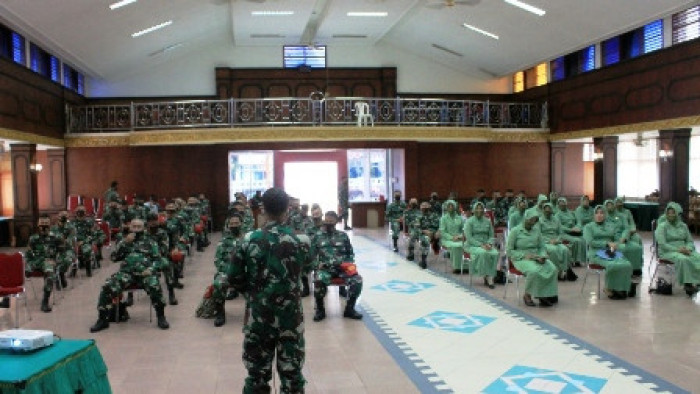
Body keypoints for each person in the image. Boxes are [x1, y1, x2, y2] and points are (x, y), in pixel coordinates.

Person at [228, 187, 310, 393]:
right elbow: (306, 270)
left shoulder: (248, 240)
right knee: (292, 377)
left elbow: (234, 277)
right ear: (288, 210)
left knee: (257, 376)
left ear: (262, 209)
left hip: (259, 317)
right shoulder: (302, 240)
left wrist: (254, 293)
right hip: (290, 318)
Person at [91, 219, 170, 332]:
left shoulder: (150, 242)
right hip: (126, 274)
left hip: (145, 273)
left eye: (139, 226)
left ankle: (161, 317)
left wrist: (151, 269)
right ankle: (102, 319)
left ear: (143, 228)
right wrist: (124, 242)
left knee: (154, 285)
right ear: (130, 227)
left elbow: (159, 260)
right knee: (108, 286)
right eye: (134, 226)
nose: (136, 229)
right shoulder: (124, 241)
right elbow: (114, 257)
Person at [310, 211, 363, 322]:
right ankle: (320, 310)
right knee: (319, 280)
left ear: (335, 222)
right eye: (327, 220)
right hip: (325, 269)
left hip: (342, 269)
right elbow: (311, 257)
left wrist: (347, 264)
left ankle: (349, 309)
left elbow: (350, 253)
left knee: (357, 281)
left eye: (331, 221)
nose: (328, 223)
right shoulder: (316, 237)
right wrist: (317, 265)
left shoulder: (343, 236)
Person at [196, 214, 245, 327]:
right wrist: (230, 271)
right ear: (228, 225)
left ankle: (254, 314)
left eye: (236, 223)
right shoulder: (223, 242)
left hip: (244, 273)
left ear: (241, 224)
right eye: (231, 224)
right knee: (218, 284)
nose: (234, 225)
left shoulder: (247, 239)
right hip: (227, 272)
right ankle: (220, 313)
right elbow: (218, 261)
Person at [506, 209, 558, 307]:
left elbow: (542, 246)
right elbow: (509, 251)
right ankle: (527, 295)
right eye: (531, 220)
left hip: (536, 256)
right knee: (534, 271)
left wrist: (542, 255)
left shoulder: (536, 231)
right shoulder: (515, 231)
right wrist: (523, 255)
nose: (532, 223)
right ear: (525, 219)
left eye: (535, 220)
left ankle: (544, 295)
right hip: (521, 258)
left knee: (552, 268)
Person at [583, 205, 634, 299]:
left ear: (605, 215)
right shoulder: (588, 227)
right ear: (593, 215)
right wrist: (606, 243)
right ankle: (608, 288)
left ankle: (622, 288)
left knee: (626, 264)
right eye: (597, 213)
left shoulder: (611, 226)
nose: (599, 215)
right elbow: (590, 242)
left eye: (602, 213)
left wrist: (616, 244)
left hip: (610, 251)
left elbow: (616, 239)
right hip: (596, 253)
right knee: (613, 265)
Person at [655, 202, 700, 297]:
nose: (671, 215)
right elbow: (662, 244)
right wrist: (678, 250)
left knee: (697, 257)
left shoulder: (683, 226)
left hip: (684, 249)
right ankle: (688, 285)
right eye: (669, 212)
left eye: (673, 212)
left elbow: (690, 241)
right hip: (668, 251)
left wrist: (688, 248)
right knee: (683, 259)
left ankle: (697, 281)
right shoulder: (662, 226)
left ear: (678, 213)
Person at [26, 215, 60, 312]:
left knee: (49, 272)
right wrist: (29, 263)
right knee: (15, 269)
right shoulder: (33, 238)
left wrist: (56, 261)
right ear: (38, 225)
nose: (43, 226)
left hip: (49, 261)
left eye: (46, 224)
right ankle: (6, 298)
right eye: (41, 224)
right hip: (36, 261)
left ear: (50, 225)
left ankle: (45, 301)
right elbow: (28, 254)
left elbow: (62, 252)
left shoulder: (56, 237)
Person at [464, 202, 499, 288]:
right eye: (477, 208)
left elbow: (491, 235)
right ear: (474, 210)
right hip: (472, 245)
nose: (479, 210)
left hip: (487, 244)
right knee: (483, 253)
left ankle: (489, 274)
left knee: (495, 253)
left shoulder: (487, 221)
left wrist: (490, 244)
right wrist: (480, 245)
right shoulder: (469, 221)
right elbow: (469, 237)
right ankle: (488, 277)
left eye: (481, 208)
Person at [538, 202, 574, 281]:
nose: (547, 212)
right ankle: (555, 272)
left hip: (556, 241)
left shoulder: (556, 220)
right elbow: (538, 235)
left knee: (565, 249)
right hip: (545, 242)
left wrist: (557, 240)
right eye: (546, 210)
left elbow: (561, 233)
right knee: (553, 250)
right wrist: (549, 241)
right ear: (543, 210)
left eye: (549, 210)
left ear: (551, 211)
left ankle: (562, 271)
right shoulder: (539, 221)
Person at [554, 197, 586, 266]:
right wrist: (571, 229)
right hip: (564, 233)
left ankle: (579, 260)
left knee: (583, 240)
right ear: (558, 205)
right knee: (576, 241)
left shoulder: (571, 213)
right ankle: (573, 260)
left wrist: (578, 227)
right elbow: (560, 226)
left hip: (574, 232)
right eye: (561, 204)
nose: (562, 205)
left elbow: (578, 221)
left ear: (566, 204)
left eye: (564, 204)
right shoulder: (557, 215)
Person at [411, 202, 440, 269]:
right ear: (421, 208)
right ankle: (423, 260)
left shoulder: (435, 215)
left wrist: (437, 232)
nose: (424, 208)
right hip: (423, 234)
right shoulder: (418, 217)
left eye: (426, 207)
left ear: (429, 207)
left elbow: (440, 226)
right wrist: (424, 231)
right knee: (425, 239)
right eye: (423, 207)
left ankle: (435, 245)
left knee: (431, 238)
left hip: (434, 233)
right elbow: (416, 228)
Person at [440, 199, 465, 274]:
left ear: (455, 207)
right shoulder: (443, 219)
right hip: (447, 239)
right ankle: (456, 267)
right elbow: (443, 232)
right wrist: (452, 238)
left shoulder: (460, 218)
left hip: (459, 238)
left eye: (452, 206)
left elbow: (464, 230)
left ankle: (465, 267)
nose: (450, 207)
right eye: (449, 206)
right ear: (446, 207)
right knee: (456, 246)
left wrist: (459, 236)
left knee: (464, 245)